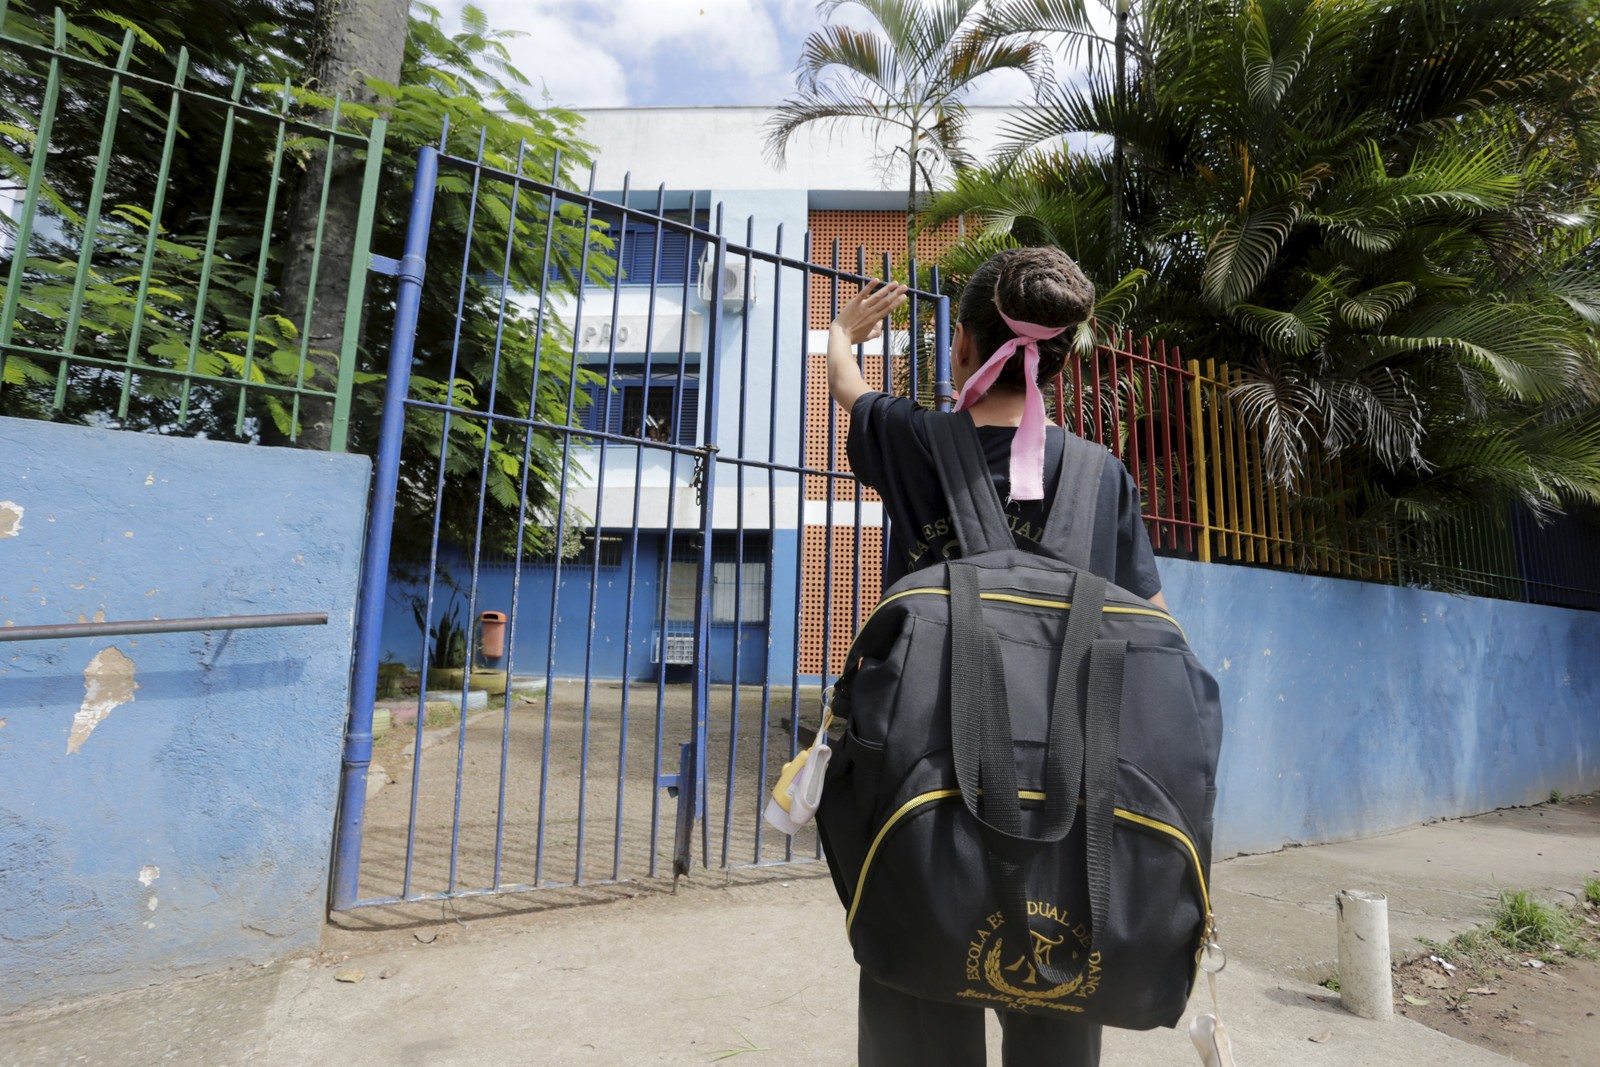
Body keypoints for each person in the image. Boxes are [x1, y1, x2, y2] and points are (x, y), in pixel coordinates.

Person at [824, 246, 1168, 1066]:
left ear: (965, 350)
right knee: (1053, 1005)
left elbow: (849, 388)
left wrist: (841, 329)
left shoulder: (913, 441)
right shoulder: (1101, 475)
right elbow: (1158, 633)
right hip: (1067, 799)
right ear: (1051, 361)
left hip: (925, 794)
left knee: (917, 1000)